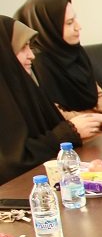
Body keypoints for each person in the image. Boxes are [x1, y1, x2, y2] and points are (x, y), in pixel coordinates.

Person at [0, 16, 89, 184]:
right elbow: (11, 163)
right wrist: (67, 134)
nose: (31, 55)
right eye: (23, 47)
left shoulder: (22, 87)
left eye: (30, 46)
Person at [14, 0, 102, 121]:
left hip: (98, 123)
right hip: (73, 128)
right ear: (47, 27)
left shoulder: (75, 52)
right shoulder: (37, 62)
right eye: (69, 23)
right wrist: (101, 120)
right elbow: (55, 116)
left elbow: (97, 96)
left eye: (75, 19)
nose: (78, 27)